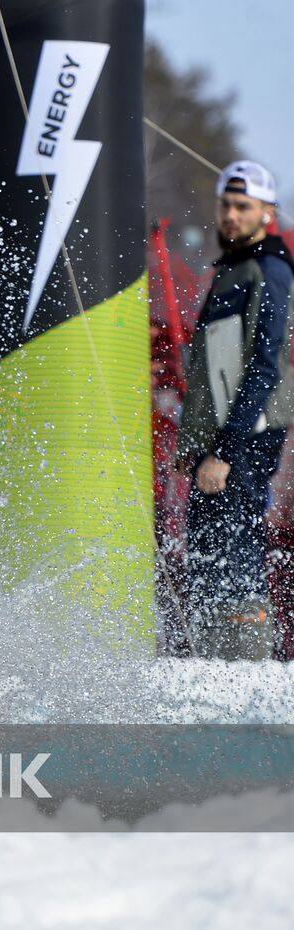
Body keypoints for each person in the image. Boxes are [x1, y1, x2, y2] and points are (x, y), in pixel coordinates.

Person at [177, 160, 294, 660]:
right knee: (206, 558)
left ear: (266, 212)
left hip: (244, 438)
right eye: (226, 205)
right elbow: (212, 374)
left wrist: (223, 452)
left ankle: (246, 676)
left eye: (243, 207)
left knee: (234, 557)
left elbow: (263, 369)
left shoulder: (268, 269)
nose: (231, 214)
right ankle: (211, 671)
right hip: (219, 441)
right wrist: (194, 445)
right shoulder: (233, 268)